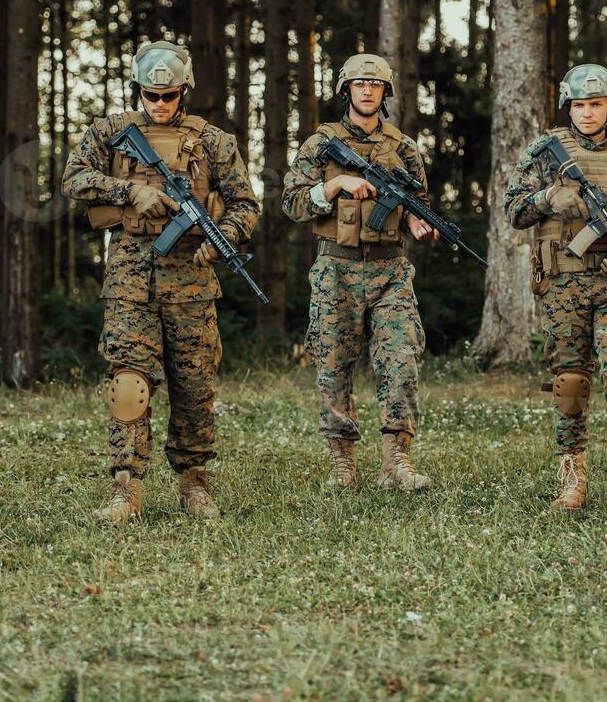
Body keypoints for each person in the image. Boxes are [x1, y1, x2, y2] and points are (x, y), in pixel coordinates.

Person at [62, 40, 260, 522]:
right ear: (139, 91)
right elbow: (72, 178)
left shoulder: (213, 141)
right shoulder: (112, 132)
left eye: (169, 96)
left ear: (183, 92)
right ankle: (126, 488)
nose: (160, 105)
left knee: (195, 386)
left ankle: (194, 483)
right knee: (129, 383)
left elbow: (245, 204)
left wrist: (224, 237)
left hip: (192, 281)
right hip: (130, 280)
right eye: (151, 96)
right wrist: (130, 191)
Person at [503, 64, 607, 514]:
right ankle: (571, 481)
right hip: (563, 282)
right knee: (572, 381)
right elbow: (513, 210)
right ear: (568, 107)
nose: (587, 113)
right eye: (579, 105)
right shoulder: (544, 153)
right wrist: (546, 199)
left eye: (595, 104)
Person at [282, 54, 440, 491]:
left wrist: (413, 220)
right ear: (346, 90)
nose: (367, 90)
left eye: (375, 84)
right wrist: (335, 185)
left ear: (385, 92)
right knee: (334, 365)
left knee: (400, 360)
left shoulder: (403, 147)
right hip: (337, 267)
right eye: (359, 83)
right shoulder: (321, 143)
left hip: (391, 269)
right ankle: (342, 463)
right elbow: (292, 203)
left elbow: (416, 203)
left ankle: (396, 462)